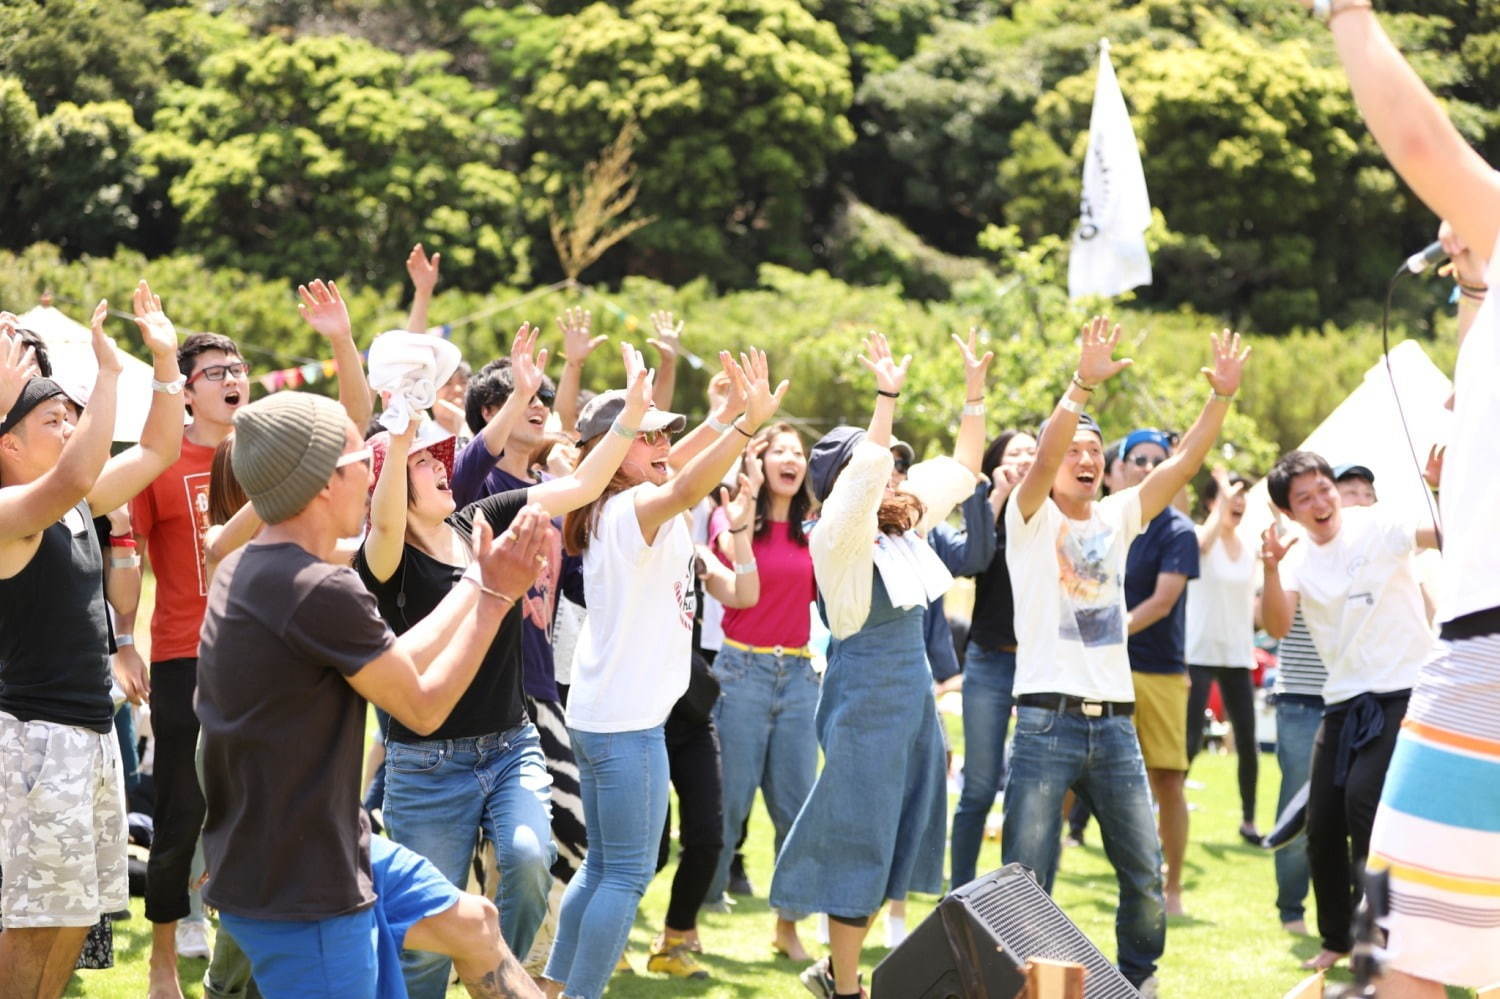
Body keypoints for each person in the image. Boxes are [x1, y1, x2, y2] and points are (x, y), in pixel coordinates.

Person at [196, 389, 547, 999]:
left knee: (477, 924)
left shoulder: (253, 571)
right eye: (366, 461)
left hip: (316, 848)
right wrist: (493, 598)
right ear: (324, 481)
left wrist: (481, 584)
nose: (374, 475)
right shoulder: (318, 589)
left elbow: (392, 666)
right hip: (304, 890)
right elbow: (421, 705)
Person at [359, 331, 652, 998]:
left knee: (527, 859)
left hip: (509, 744)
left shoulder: (476, 523)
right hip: (425, 767)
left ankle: (499, 977)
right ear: (389, 489)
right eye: (423, 465)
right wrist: (399, 431)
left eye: (441, 461)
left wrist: (631, 414)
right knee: (424, 953)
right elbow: (382, 523)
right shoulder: (386, 563)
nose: (443, 467)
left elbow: (577, 484)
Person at [124, 279, 371, 997]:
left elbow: (353, 422)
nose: (234, 381)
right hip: (182, 650)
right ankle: (164, 958)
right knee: (182, 809)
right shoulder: (159, 461)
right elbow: (123, 557)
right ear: (188, 390)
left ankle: (242, 940)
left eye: (240, 370)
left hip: (276, 650)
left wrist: (339, 340)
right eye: (217, 374)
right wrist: (121, 638)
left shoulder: (271, 447)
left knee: (270, 804)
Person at [1001, 318, 1248, 995]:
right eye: (1073, 448)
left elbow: (1184, 463)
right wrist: (1080, 383)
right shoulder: (1029, 520)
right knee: (1024, 871)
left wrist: (1221, 398)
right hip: (1045, 722)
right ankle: (1025, 982)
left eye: (1094, 449)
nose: (1083, 456)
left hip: (1113, 722)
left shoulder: (1119, 516)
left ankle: (1138, 979)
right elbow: (1048, 452)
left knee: (1142, 867)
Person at [542, 349, 786, 999]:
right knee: (623, 875)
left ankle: (556, 987)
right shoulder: (632, 509)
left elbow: (678, 465)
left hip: (604, 717)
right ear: (607, 449)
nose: (662, 443)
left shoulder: (613, 502)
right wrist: (744, 428)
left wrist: (728, 415)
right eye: (644, 433)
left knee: (600, 871)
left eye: (662, 433)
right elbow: (683, 485)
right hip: (627, 725)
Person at [770, 330, 989, 999]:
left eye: (897, 464)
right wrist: (885, 399)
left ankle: (832, 972)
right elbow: (864, 478)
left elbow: (961, 468)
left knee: (896, 838)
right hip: (863, 699)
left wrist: (974, 394)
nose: (896, 471)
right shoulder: (835, 535)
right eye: (886, 463)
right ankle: (845, 986)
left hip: (913, 702)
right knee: (857, 840)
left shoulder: (907, 530)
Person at [0, 287, 187, 999]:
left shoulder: (75, 500)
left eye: (75, 415)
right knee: (34, 922)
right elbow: (78, 469)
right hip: (35, 740)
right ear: (8, 443)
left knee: (77, 916)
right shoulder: (12, 514)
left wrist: (164, 362)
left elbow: (159, 446)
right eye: (55, 417)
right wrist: (107, 375)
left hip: (91, 732)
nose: (74, 426)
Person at [1259, 449, 1438, 974]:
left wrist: (1438, 487)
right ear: (1288, 512)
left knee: (1365, 802)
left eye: (1324, 489)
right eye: (1304, 498)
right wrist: (1269, 567)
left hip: (1403, 690)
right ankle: (1336, 937)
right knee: (1322, 822)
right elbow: (1276, 624)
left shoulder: (1378, 524)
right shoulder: (1292, 555)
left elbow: (1441, 533)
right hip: (1343, 701)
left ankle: (1384, 939)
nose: (1320, 502)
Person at [703, 422, 820, 961]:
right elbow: (731, 577)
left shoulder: (812, 533)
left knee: (796, 809)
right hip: (741, 674)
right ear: (760, 462)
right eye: (781, 452)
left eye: (799, 452)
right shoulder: (731, 521)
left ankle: (787, 925)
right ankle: (692, 919)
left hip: (798, 678)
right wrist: (743, 509)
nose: (791, 460)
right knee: (727, 806)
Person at [646, 464, 763, 979]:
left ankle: (673, 939)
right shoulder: (630, 545)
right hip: (638, 715)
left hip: (691, 715)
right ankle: (602, 938)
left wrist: (738, 529)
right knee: (647, 850)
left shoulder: (693, 555)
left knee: (709, 838)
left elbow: (744, 595)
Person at [1117, 427, 1201, 917]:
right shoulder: (1106, 520)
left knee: (1167, 780)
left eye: (1158, 460)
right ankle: (1048, 871)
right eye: (1140, 460)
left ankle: (1172, 887)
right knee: (1069, 773)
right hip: (1101, 669)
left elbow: (1163, 601)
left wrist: (1108, 634)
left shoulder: (1178, 530)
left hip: (1160, 670)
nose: (1149, 469)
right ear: (1120, 468)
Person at [950, 429, 1036, 887]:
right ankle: (959, 892)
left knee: (1027, 794)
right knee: (979, 788)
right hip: (988, 661)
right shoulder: (985, 508)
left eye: (1033, 452)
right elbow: (972, 561)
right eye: (1015, 452)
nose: (1025, 458)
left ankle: (1018, 899)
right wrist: (998, 493)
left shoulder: (1052, 510)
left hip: (1039, 666)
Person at [1185, 468, 1260, 842]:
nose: (1238, 502)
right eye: (1229, 496)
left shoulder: (1248, 549)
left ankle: (1249, 821)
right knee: (1188, 741)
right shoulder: (1202, 537)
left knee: (1247, 741)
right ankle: (1165, 810)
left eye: (1242, 497)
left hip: (1237, 655)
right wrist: (1223, 507)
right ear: (1211, 503)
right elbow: (1200, 546)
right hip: (1198, 652)